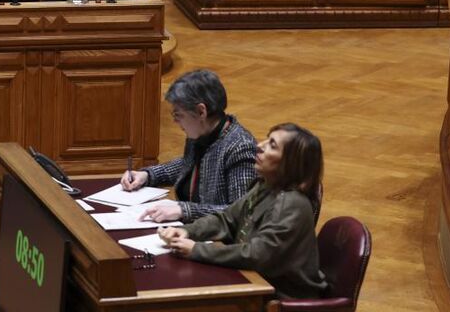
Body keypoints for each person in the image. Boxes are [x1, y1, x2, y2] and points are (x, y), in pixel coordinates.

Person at [159, 122, 327, 299]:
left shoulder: (292, 204)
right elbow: (226, 219)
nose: (259, 146)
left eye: (272, 145)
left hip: (281, 297)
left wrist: (196, 250)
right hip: (253, 282)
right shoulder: (266, 186)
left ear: (291, 162)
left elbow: (258, 255)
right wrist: (187, 231)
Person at [121, 69, 258, 222]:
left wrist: (183, 210)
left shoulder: (240, 147)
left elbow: (240, 213)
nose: (175, 121)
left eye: (178, 115)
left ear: (201, 112)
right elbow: (190, 165)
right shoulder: (202, 132)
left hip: (217, 241)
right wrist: (148, 175)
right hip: (192, 230)